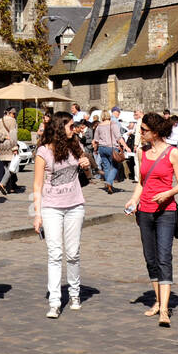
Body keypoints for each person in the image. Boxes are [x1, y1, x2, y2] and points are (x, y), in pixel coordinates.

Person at [125, 111, 178, 328]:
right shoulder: (142, 153)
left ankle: (164, 309)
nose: (140, 133)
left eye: (143, 130)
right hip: (145, 211)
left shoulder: (173, 153)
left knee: (164, 257)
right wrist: (133, 200)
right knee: (150, 258)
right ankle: (158, 301)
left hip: (166, 211)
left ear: (156, 132)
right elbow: (141, 182)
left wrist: (167, 194)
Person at [33, 111, 93, 318]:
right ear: (60, 127)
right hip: (51, 207)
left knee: (73, 252)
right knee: (55, 254)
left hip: (75, 204)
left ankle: (75, 294)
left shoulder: (76, 147)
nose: (74, 129)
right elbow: (37, 184)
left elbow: (88, 176)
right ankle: (55, 301)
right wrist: (37, 214)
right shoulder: (43, 151)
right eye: (70, 126)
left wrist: (87, 166)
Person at [93, 113, 121, 194]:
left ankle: (109, 185)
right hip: (111, 148)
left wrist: (95, 149)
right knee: (115, 166)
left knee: (106, 167)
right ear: (109, 116)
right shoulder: (113, 124)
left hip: (102, 148)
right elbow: (118, 137)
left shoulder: (99, 126)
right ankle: (109, 182)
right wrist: (126, 147)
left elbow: (96, 140)